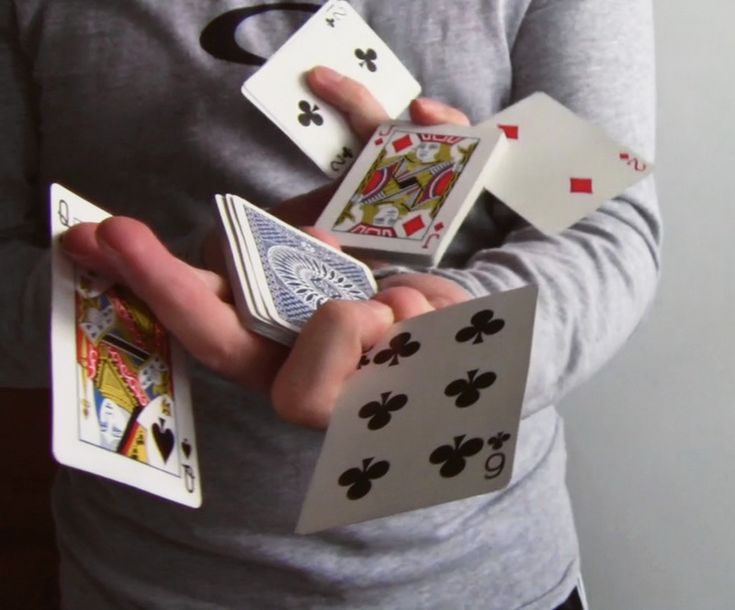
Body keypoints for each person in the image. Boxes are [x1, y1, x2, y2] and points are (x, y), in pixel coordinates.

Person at [0, 1, 659, 608]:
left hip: (482, 573)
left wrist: (447, 327)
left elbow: (600, 225)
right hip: (144, 578)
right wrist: (162, 290)